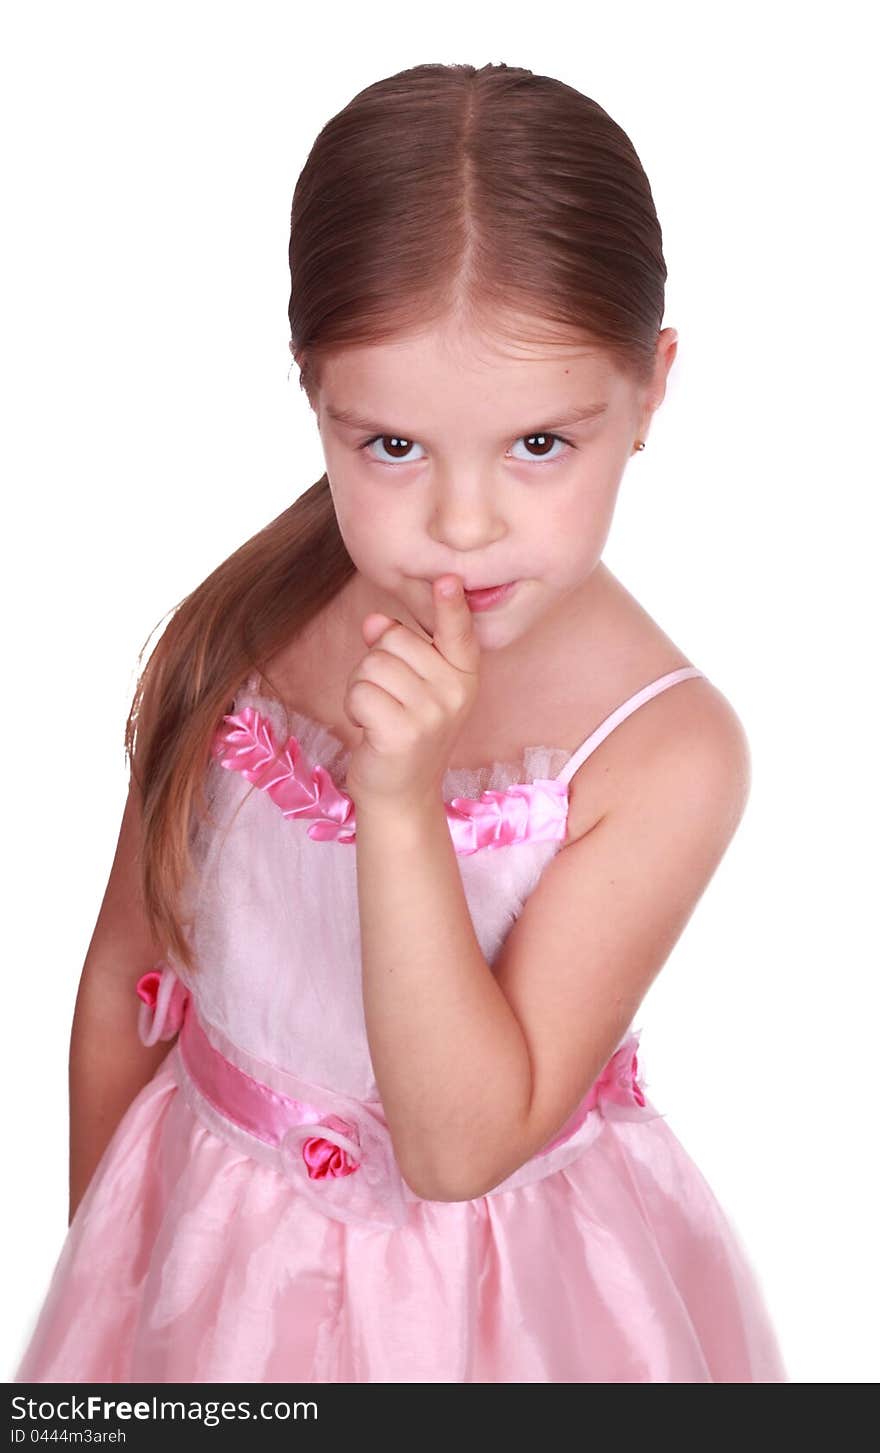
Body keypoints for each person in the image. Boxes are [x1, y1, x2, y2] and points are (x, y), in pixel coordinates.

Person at [14, 60, 788, 1383]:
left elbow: (455, 1144)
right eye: (393, 447)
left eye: (541, 444)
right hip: (211, 1294)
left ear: (652, 390)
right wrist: (112, 1285)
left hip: (502, 1322)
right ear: (315, 393)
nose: (465, 522)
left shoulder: (667, 750)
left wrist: (397, 802)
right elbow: (119, 980)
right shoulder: (253, 622)